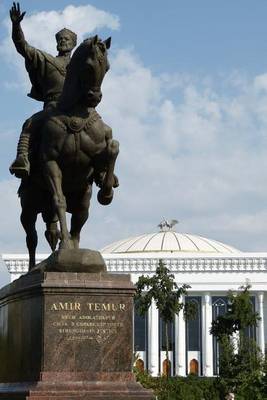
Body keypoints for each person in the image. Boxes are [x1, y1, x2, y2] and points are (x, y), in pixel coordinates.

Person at [9, 2, 77, 178]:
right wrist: (16, 25)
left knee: (104, 131)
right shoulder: (45, 60)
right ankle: (22, 159)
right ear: (56, 44)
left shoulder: (80, 66)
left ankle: (102, 169)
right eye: (60, 39)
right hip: (52, 107)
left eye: (67, 39)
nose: (63, 41)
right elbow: (22, 46)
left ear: (73, 44)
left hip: (77, 108)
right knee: (29, 125)